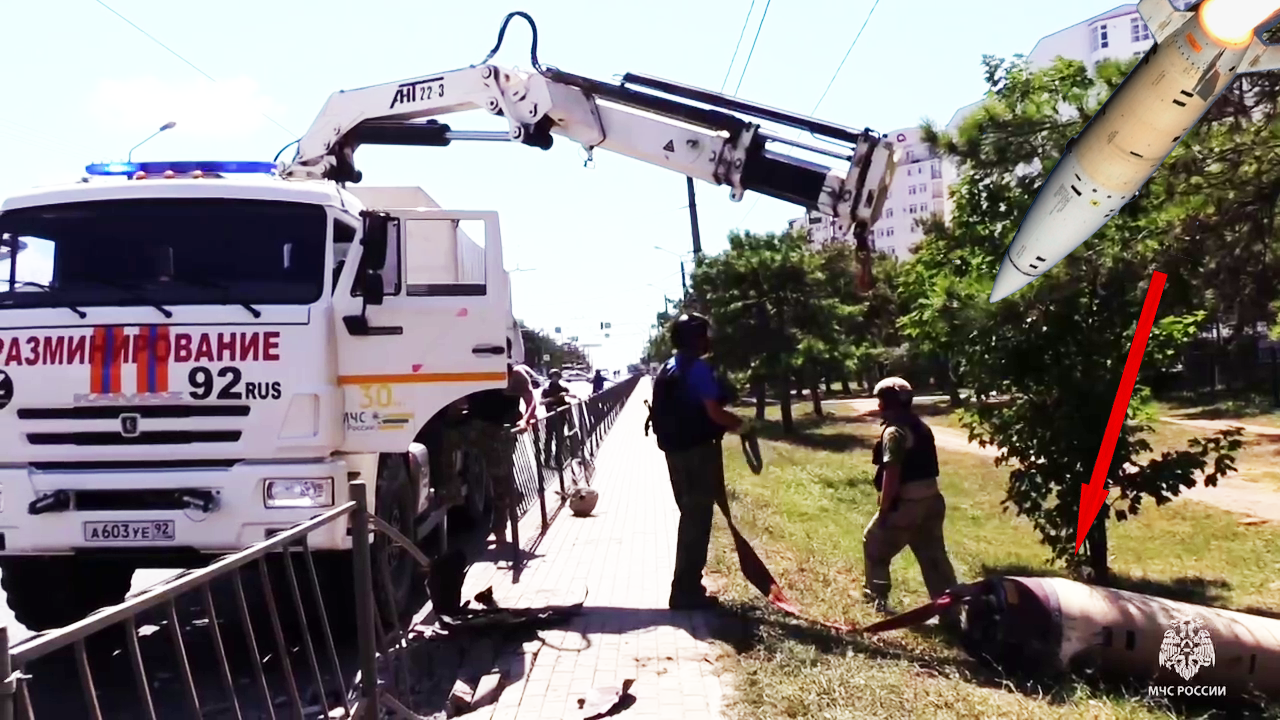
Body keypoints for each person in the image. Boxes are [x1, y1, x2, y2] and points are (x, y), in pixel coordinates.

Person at [649, 313, 752, 610]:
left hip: (675, 452)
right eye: (705, 334)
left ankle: (687, 586)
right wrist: (742, 425)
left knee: (690, 515)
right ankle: (685, 591)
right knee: (696, 520)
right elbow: (715, 413)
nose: (709, 339)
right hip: (696, 452)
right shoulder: (697, 368)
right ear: (695, 338)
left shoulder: (668, 368)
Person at [862, 376, 959, 628]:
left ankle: (876, 599)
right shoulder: (920, 425)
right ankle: (951, 615)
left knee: (874, 545)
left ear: (885, 402)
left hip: (908, 503)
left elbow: (892, 473)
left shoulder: (894, 431)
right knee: (934, 557)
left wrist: (884, 510)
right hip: (932, 500)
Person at [464, 348, 538, 545]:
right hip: (477, 426)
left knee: (500, 479)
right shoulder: (475, 371)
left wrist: (525, 420)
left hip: (501, 431)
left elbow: (531, 401)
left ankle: (500, 529)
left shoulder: (515, 375)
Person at [541, 369, 578, 466]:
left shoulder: (562, 388)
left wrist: (566, 394)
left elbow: (574, 396)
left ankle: (558, 460)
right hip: (550, 418)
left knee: (559, 439)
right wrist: (551, 399)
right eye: (553, 377)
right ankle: (547, 460)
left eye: (557, 377)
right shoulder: (546, 389)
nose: (555, 379)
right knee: (548, 439)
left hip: (561, 418)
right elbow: (541, 402)